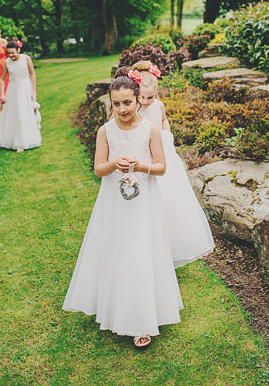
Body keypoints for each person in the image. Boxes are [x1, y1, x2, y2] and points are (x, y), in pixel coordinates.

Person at [63, 71, 180, 349]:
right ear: (111, 104)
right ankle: (114, 307)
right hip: (114, 202)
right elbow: (98, 169)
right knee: (118, 250)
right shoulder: (105, 131)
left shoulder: (150, 130)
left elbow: (162, 167)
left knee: (141, 251)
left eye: (127, 102)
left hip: (144, 202)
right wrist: (115, 164)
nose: (122, 109)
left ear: (138, 100)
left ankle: (142, 319)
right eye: (116, 104)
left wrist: (140, 167)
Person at [131, 61, 214, 267]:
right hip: (146, 158)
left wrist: (167, 133)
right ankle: (146, 247)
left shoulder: (158, 106)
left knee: (171, 201)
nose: (147, 101)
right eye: (142, 97)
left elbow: (164, 120)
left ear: (156, 93)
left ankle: (170, 246)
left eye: (150, 96)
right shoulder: (134, 110)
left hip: (165, 158)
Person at [0, 41, 41, 152]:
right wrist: (2, 94)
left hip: (25, 88)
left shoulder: (26, 59)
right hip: (12, 90)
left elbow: (32, 74)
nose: (10, 55)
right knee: (13, 114)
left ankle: (25, 140)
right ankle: (13, 141)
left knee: (24, 113)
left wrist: (34, 91)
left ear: (19, 50)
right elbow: (2, 79)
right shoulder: (6, 62)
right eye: (8, 53)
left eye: (13, 53)